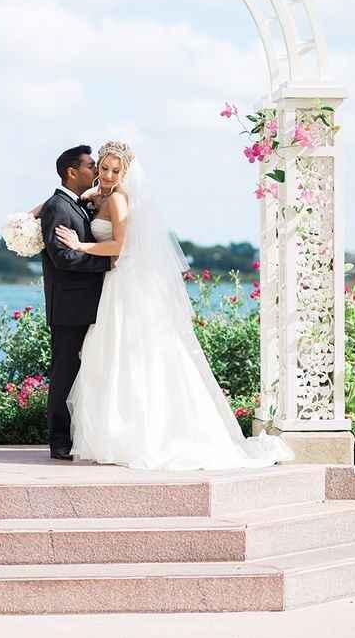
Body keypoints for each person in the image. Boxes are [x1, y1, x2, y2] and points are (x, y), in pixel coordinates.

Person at [54, 140, 294, 470]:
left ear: (125, 173)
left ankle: (139, 436)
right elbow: (88, 200)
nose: (107, 175)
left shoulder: (120, 199)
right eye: (104, 168)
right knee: (111, 355)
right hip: (116, 285)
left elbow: (118, 245)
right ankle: (114, 433)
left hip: (123, 280)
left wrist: (80, 244)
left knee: (130, 354)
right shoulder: (104, 195)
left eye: (114, 170)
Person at [38, 145, 111, 460]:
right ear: (71, 171)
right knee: (65, 372)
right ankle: (59, 441)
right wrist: (109, 265)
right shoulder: (58, 207)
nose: (95, 170)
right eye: (90, 165)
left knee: (87, 371)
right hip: (70, 306)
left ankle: (84, 434)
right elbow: (63, 258)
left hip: (91, 303)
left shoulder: (78, 204)